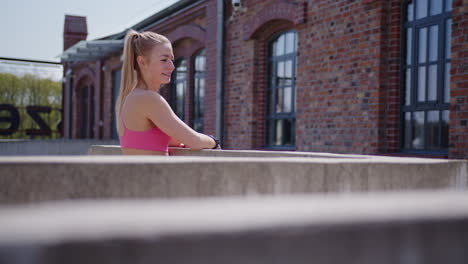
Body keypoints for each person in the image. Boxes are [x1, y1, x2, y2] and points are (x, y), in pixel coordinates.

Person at [116, 29, 220, 155]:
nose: (172, 66)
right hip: (152, 174)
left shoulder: (135, 97)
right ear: (142, 62)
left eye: (171, 59)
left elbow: (176, 139)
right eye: (164, 60)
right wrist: (214, 141)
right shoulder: (148, 99)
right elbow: (195, 141)